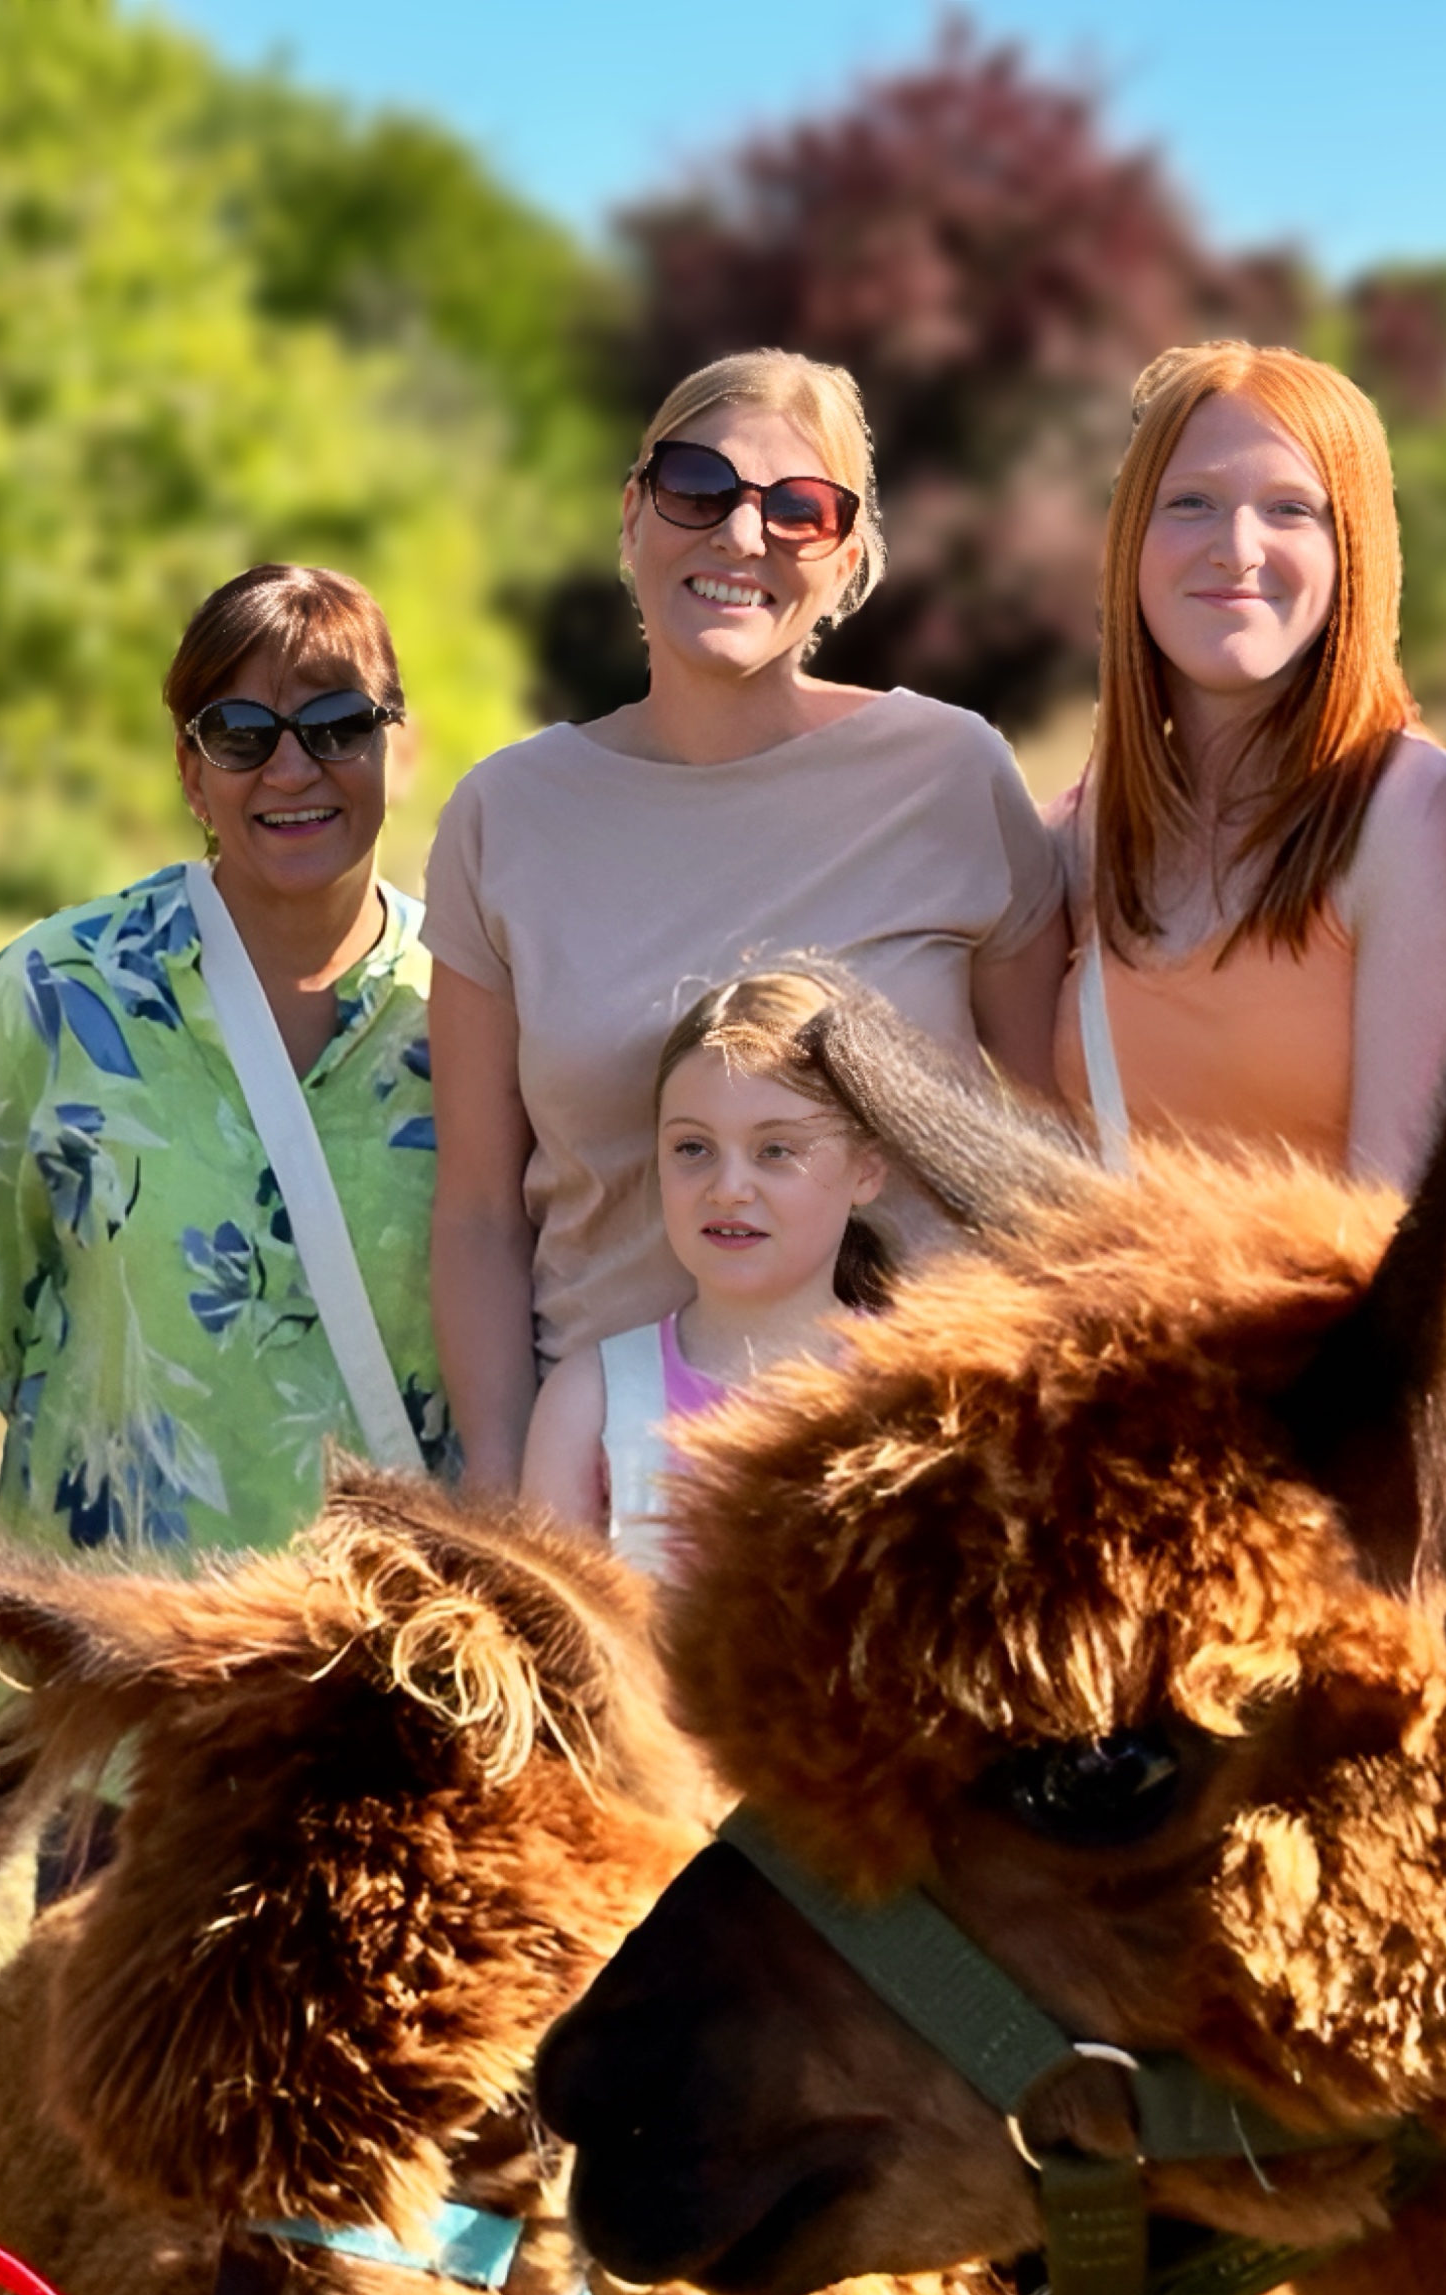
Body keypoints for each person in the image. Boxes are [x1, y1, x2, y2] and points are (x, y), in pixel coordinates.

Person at [425, 349, 1066, 1491]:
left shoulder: (949, 775)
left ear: (850, 561)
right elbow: (477, 1208)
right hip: (620, 1483)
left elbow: (1050, 1141)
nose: (740, 536)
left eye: (799, 510)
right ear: (633, 516)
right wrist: (505, 1473)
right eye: (696, 487)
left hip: (910, 1477)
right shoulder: (507, 814)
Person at [0, 564, 444, 1571]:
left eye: (338, 723)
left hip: (386, 1666)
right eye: (241, 733)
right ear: (189, 768)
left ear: (401, 745)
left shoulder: (476, 1002)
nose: (292, 769)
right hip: (117, 1664)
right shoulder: (54, 992)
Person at [1053, 343, 1446, 1185]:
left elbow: (1396, 1222)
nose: (1238, 549)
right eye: (1190, 502)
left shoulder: (1413, 814)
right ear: (1131, 543)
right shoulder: (1081, 831)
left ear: (1352, 551)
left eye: (1291, 510)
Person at [521, 962, 892, 1574]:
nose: (728, 1188)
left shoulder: (915, 1390)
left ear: (866, 1170)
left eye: (776, 1151)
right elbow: (557, 1639)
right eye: (694, 1148)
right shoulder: (592, 1401)